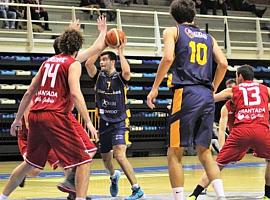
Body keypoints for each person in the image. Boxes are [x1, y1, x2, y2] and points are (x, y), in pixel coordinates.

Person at [0, 16, 107, 200]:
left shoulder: (47, 62)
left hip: (36, 116)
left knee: (29, 164)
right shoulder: (72, 64)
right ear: (77, 48)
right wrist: (89, 122)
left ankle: (2, 196)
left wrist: (17, 119)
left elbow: (28, 92)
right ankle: (78, 196)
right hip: (55, 115)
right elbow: (75, 93)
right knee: (85, 160)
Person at [146, 0, 228, 199]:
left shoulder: (172, 31)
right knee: (205, 152)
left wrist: (154, 88)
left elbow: (167, 58)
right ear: (194, 16)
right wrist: (213, 88)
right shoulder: (209, 37)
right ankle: (222, 197)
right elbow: (224, 64)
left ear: (174, 16)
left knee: (174, 151)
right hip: (206, 94)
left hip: (186, 94)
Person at [188, 65, 270, 200]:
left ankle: (194, 195)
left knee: (217, 164)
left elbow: (209, 99)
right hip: (261, 129)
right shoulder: (265, 89)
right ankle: (267, 195)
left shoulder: (233, 90)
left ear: (240, 77)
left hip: (240, 132)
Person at [84, 45, 144, 200]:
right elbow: (88, 64)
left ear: (112, 61)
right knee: (105, 158)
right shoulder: (98, 76)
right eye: (101, 59)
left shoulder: (120, 77)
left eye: (104, 59)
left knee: (119, 154)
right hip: (104, 122)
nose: (101, 62)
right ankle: (113, 176)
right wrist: (102, 46)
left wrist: (121, 52)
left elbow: (127, 72)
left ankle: (136, 189)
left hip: (120, 122)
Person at [217, 78, 236, 148]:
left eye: (232, 89)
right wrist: (221, 148)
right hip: (236, 139)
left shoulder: (247, 103)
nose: (229, 91)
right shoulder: (225, 108)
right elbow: (222, 130)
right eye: (228, 89)